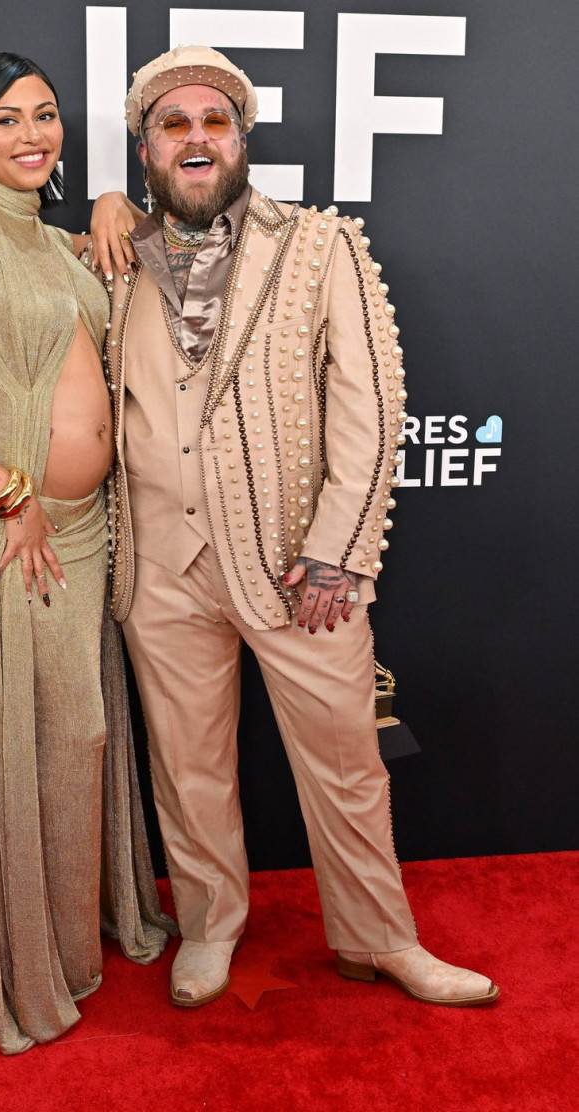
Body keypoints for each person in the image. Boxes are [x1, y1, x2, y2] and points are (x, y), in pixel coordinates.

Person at [91, 44, 499, 1009]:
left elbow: (371, 405)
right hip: (159, 563)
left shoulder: (321, 245)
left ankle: (379, 939)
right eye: (172, 125)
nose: (196, 139)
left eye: (213, 122)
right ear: (145, 150)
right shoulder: (110, 256)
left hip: (292, 566)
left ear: (242, 138)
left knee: (348, 764)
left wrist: (337, 555)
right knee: (187, 770)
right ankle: (210, 928)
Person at [0, 52, 173, 1055]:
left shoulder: (61, 243)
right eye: (5, 120)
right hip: (4, 525)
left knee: (81, 733)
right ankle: (28, 962)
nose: (30, 135)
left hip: (87, 525)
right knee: (31, 735)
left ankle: (74, 928)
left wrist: (104, 197)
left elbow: (145, 247)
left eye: (45, 117)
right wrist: (10, 495)